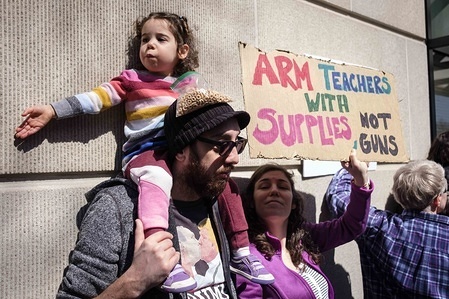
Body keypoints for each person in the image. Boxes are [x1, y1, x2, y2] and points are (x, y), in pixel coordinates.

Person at [15, 12, 272, 292]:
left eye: (160, 39)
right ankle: (160, 249)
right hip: (145, 154)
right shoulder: (132, 80)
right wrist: (54, 111)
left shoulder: (187, 87)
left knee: (228, 186)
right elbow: (95, 99)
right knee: (157, 180)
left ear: (182, 50)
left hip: (170, 154)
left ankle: (242, 253)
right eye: (144, 39)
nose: (150, 45)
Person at [57, 88, 256, 298]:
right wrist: (135, 282)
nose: (235, 158)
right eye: (222, 145)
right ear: (181, 150)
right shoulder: (119, 207)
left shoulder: (218, 202)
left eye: (237, 144)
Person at [236, 149, 373, 299]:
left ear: (293, 203)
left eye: (282, 187)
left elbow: (351, 226)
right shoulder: (248, 259)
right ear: (251, 202)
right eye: (264, 186)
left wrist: (361, 181)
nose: (274, 191)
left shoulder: (306, 237)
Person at [325, 159, 449, 298]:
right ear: (437, 200)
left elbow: (337, 196)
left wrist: (355, 171)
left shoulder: (379, 227)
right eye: (444, 192)